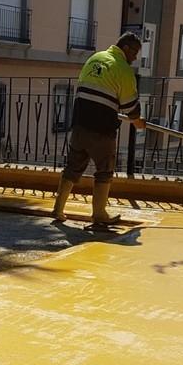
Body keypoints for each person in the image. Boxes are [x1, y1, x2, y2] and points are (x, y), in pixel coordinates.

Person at [52, 32, 147, 223]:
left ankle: (58, 209)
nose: (135, 57)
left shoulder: (95, 58)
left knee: (72, 167)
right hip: (102, 129)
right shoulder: (123, 69)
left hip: (79, 124)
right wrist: (138, 122)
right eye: (135, 52)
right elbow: (130, 107)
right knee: (104, 170)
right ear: (125, 48)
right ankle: (99, 214)